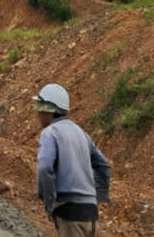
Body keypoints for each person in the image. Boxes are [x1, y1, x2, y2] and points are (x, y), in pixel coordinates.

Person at [33, 83, 111, 237]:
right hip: (90, 213)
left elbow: (44, 168)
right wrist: (96, 198)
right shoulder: (82, 133)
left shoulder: (50, 133)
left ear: (49, 110)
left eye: (40, 109)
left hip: (69, 212)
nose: (37, 114)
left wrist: (50, 205)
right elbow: (104, 166)